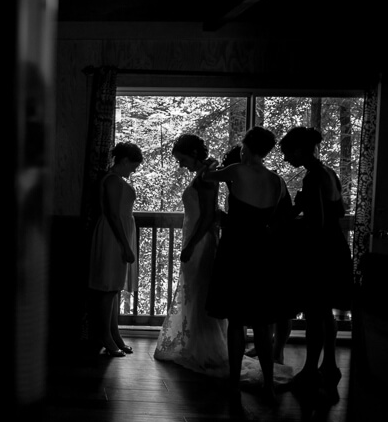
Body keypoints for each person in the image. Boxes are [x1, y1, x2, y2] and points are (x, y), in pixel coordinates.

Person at [202, 126, 293, 405]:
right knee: (263, 323)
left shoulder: (237, 170)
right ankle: (269, 384)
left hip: (237, 250)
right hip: (263, 253)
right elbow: (280, 218)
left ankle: (233, 383)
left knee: (236, 321)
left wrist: (209, 164)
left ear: (246, 147)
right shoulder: (278, 181)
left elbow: (207, 177)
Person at [280, 126, 352, 405]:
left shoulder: (313, 178)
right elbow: (339, 211)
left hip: (319, 252)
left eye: (288, 153)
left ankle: (311, 369)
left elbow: (316, 224)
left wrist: (294, 215)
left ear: (299, 150)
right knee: (325, 311)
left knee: (314, 311)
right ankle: (330, 366)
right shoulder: (329, 174)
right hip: (336, 247)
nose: (286, 159)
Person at [154, 134, 228, 377]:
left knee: (200, 293)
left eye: (182, 159)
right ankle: (197, 347)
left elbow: (207, 217)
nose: (180, 164)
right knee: (195, 293)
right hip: (196, 239)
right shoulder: (204, 174)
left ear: (194, 154)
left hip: (201, 242)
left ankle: (207, 352)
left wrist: (190, 246)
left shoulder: (207, 177)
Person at [87, 142, 142, 357]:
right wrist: (125, 246)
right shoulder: (112, 181)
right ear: (125, 160)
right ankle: (106, 338)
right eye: (134, 165)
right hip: (112, 236)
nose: (134, 170)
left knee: (113, 289)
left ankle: (114, 335)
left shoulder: (117, 180)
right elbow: (112, 215)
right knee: (108, 288)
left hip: (116, 234)